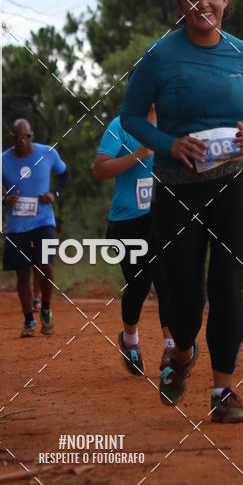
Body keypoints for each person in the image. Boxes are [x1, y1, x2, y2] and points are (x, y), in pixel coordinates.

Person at [121, 0, 243, 423]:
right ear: (180, 6)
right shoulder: (160, 57)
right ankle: (183, 353)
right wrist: (169, 143)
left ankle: (224, 392)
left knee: (226, 285)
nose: (201, 3)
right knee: (184, 295)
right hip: (177, 189)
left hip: (236, 182)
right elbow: (130, 116)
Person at [93, 101, 173, 374]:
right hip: (128, 220)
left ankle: (171, 349)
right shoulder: (121, 126)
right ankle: (129, 340)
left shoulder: (173, 121)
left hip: (162, 215)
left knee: (166, 280)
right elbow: (100, 169)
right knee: (138, 285)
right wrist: (139, 154)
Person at [1, 119, 70, 337]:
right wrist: (5, 200)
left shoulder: (48, 153)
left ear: (32, 135)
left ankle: (46, 310)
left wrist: (54, 194)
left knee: (46, 266)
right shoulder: (1, 161)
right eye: (18, 138)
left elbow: (65, 176)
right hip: (16, 226)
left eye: (27, 137)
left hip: (43, 221)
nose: (23, 142)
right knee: (22, 274)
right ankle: (29, 320)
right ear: (12, 138)